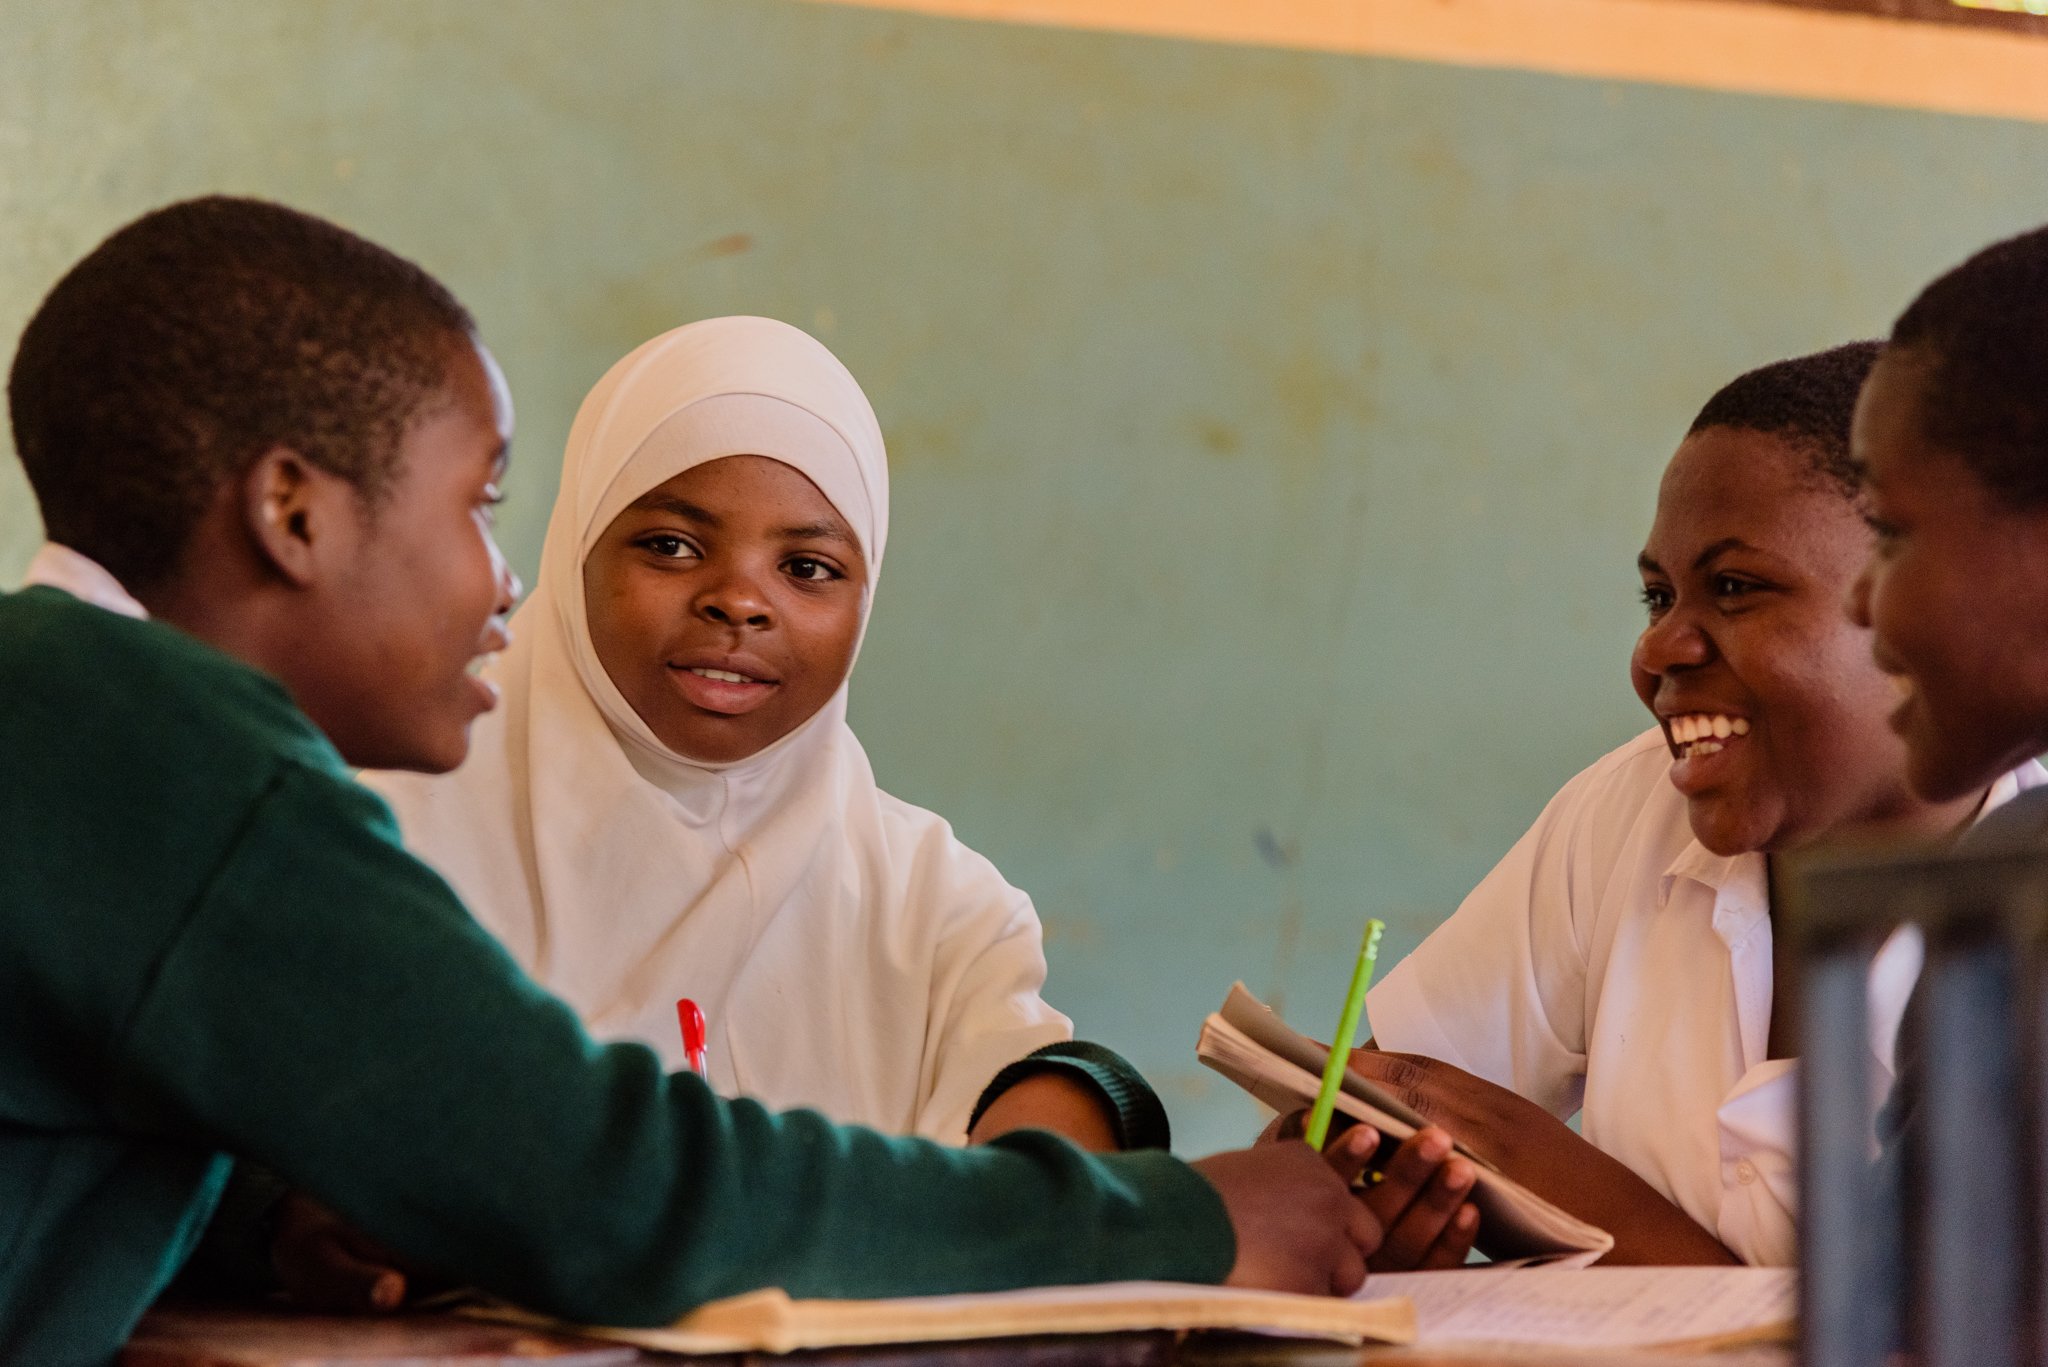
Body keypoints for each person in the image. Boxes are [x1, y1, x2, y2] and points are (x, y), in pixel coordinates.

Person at [0, 196, 1387, 1367]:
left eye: (809, 563)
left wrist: (259, 1215)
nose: (503, 580)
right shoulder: (179, 765)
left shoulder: (74, 710)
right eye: (480, 504)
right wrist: (1179, 1223)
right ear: (292, 512)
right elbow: (619, 1184)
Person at [364, 318, 1162, 1152]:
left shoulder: (940, 914)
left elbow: (1042, 1182)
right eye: (672, 546)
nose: (739, 602)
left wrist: (1082, 1105)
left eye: (808, 568)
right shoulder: (386, 839)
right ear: (575, 555)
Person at [1351, 343, 2046, 1266]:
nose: (1661, 649)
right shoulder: (1627, 811)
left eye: (1734, 588)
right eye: (1657, 595)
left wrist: (1535, 1162)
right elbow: (1395, 1099)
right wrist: (1370, 1188)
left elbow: (1908, 1332)